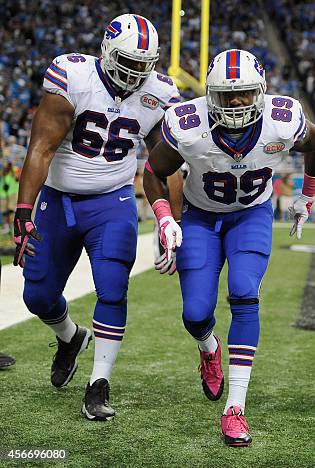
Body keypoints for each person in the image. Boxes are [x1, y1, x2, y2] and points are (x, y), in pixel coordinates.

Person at [143, 49, 315, 447]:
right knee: (195, 314)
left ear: (260, 92)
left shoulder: (283, 120)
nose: (236, 103)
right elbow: (154, 172)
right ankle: (209, 350)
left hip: (251, 215)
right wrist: (164, 217)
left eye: (244, 93)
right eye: (227, 95)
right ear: (210, 94)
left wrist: (307, 195)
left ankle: (235, 407)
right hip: (200, 218)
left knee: (245, 293)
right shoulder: (186, 124)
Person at [13, 14, 181, 421]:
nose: (136, 73)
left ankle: (99, 383)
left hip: (113, 201)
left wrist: (169, 221)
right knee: (36, 295)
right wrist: (23, 209)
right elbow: (41, 147)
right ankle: (70, 338)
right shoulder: (73, 75)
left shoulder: (159, 93)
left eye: (145, 64)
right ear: (105, 51)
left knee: (112, 288)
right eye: (128, 61)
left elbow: (167, 164)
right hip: (59, 198)